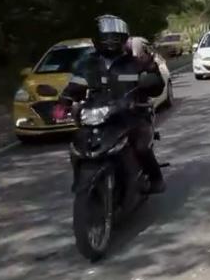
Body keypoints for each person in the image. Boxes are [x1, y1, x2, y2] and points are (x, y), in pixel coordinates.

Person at [57, 15, 167, 193]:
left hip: (132, 115)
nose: (109, 42)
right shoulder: (89, 64)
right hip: (99, 114)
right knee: (78, 144)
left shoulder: (134, 63)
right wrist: (64, 102)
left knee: (141, 147)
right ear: (96, 39)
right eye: (105, 38)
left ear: (123, 39)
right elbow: (76, 85)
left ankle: (156, 178)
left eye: (114, 38)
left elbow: (156, 87)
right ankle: (82, 180)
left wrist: (152, 71)